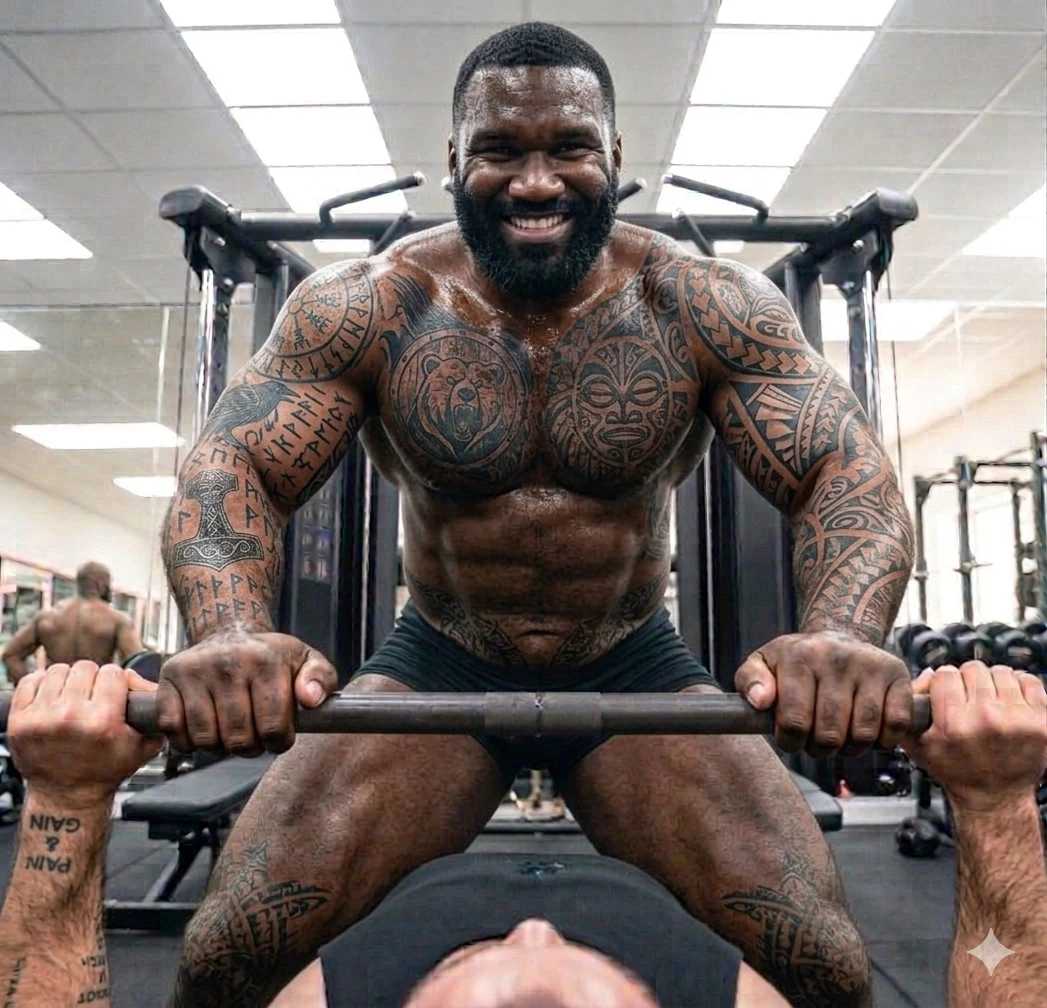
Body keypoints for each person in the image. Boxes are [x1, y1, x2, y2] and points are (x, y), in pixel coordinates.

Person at [157, 21, 919, 1008]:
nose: (533, 180)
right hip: (441, 660)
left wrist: (842, 634)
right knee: (229, 954)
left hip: (630, 661)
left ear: (615, 157)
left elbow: (842, 468)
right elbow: (236, 465)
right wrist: (228, 631)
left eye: (568, 147)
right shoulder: (371, 307)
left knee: (820, 965)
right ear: (452, 161)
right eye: (499, 150)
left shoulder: (702, 304)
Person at [1, 660, 1044, 1008]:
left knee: (225, 956)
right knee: (827, 968)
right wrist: (994, 802)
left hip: (440, 652)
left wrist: (67, 797)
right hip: (628, 650)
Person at [1, 563, 143, 685]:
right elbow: (138, 665)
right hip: (96, 699)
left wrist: (31, 688)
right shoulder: (117, 620)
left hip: (53, 696)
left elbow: (11, 655)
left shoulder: (47, 617)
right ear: (100, 584)